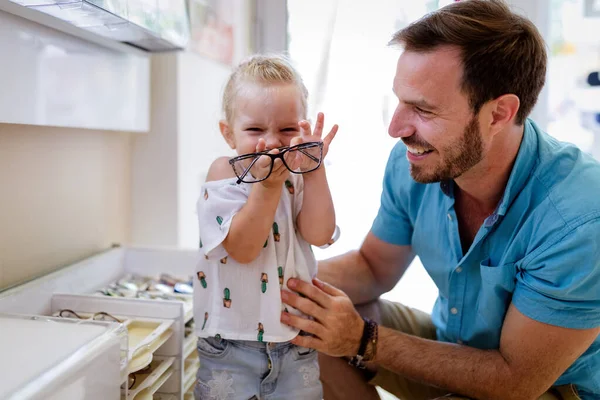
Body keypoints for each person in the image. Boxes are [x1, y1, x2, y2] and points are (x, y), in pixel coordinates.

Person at [278, 1, 600, 399]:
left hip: (546, 388)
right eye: (399, 100)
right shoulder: (416, 162)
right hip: (457, 343)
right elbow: (373, 267)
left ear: (499, 113)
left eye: (422, 109)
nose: (396, 127)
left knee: (346, 331)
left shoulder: (580, 218)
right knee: (309, 323)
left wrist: (362, 339)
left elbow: (515, 380)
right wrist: (275, 280)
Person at [193, 54, 338, 399]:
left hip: (295, 346)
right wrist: (268, 188)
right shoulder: (224, 173)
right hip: (230, 348)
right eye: (255, 130)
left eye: (287, 130)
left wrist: (315, 170)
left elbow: (320, 233)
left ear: (302, 127)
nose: (272, 143)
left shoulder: (299, 172)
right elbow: (242, 249)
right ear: (229, 134)